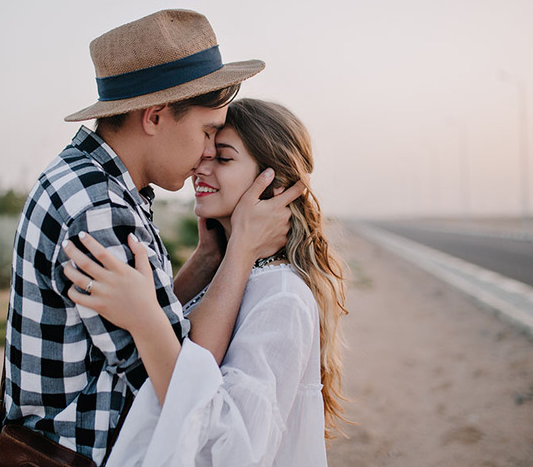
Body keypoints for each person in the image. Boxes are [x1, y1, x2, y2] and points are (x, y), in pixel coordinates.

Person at [0, 10, 304, 466]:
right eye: (206, 133)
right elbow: (178, 377)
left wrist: (205, 261)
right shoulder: (99, 210)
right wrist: (241, 250)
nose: (206, 153)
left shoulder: (96, 181)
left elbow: (145, 319)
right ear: (156, 116)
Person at [63, 98, 349, 466]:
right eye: (206, 151)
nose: (201, 166)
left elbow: (229, 449)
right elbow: (185, 348)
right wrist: (211, 259)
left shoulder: (282, 297)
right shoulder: (229, 274)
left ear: (273, 183)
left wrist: (146, 320)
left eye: (224, 158)